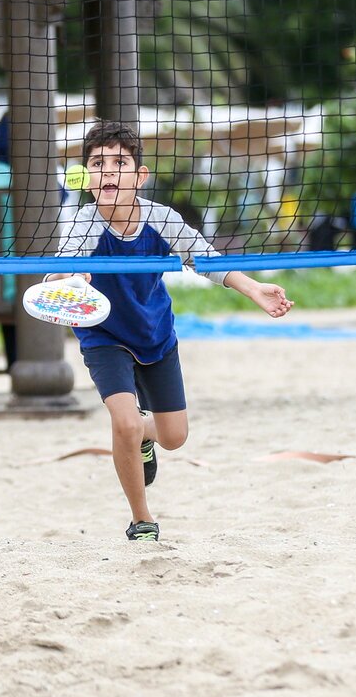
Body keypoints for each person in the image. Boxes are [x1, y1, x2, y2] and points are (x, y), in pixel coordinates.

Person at [49, 120, 293, 542]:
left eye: (119, 162)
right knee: (123, 423)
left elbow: (207, 260)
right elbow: (59, 273)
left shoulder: (161, 218)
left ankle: (147, 434)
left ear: (140, 176)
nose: (108, 171)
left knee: (175, 438)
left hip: (155, 333)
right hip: (104, 336)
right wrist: (67, 280)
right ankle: (142, 520)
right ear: (87, 177)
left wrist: (254, 289)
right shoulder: (83, 224)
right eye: (97, 163)